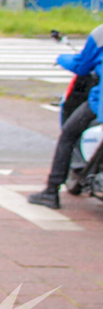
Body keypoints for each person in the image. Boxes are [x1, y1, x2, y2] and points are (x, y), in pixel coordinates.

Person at [28, 25, 103, 209]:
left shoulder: (100, 33)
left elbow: (82, 65)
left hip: (99, 102)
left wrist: (61, 59)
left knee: (68, 135)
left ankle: (51, 191)